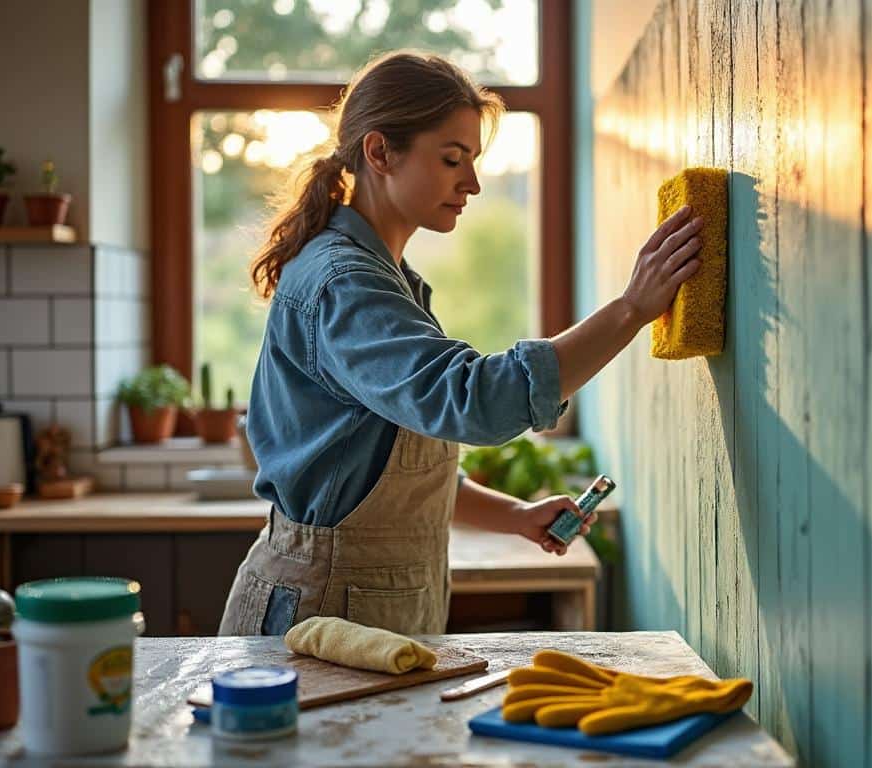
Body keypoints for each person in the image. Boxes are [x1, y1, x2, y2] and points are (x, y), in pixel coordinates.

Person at [218, 51, 704, 636]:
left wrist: (517, 517)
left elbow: (390, 479)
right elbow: (473, 400)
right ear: (380, 153)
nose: (471, 184)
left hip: (368, 607)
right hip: (321, 609)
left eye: (472, 161)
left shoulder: (388, 281)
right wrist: (631, 310)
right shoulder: (346, 284)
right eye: (453, 159)